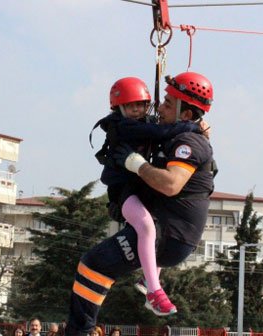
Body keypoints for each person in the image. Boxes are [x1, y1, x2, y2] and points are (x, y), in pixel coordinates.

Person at [66, 71, 216, 336]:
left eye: (168, 103)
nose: (160, 107)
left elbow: (171, 183)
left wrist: (137, 165)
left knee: (93, 265)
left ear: (186, 115)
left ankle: (85, 329)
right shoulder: (174, 136)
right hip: (168, 232)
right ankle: (147, 282)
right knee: (96, 266)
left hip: (168, 235)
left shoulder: (188, 142)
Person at [94, 77, 204, 315]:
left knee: (162, 221)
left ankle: (148, 279)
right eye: (131, 106)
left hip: (139, 189)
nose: (137, 111)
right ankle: (154, 292)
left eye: (141, 105)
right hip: (124, 193)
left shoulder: (144, 121)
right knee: (146, 227)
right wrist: (193, 126)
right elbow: (160, 131)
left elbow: (162, 131)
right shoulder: (126, 126)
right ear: (119, 108)